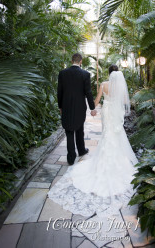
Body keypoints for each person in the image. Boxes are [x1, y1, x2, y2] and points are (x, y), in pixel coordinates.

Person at [47, 64, 138, 217]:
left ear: (109, 74)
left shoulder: (104, 84)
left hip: (106, 112)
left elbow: (96, 101)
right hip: (115, 114)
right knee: (116, 135)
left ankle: (86, 157)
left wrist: (93, 108)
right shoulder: (120, 87)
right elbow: (123, 101)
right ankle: (118, 161)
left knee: (106, 134)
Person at [57, 53, 97, 165]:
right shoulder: (85, 74)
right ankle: (81, 150)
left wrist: (60, 106)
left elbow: (59, 92)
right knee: (80, 128)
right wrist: (92, 108)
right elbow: (88, 92)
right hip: (80, 106)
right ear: (81, 61)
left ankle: (71, 158)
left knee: (69, 131)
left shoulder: (63, 73)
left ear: (71, 61)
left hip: (66, 106)